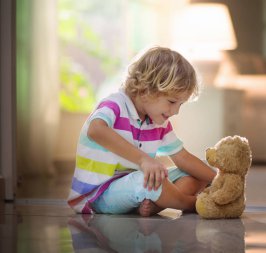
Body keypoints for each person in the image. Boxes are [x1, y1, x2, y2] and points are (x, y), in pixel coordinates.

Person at [67, 46, 216, 216]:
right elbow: (95, 130)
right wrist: (143, 160)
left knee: (198, 172)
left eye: (180, 104)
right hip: (99, 195)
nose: (176, 112)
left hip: (134, 189)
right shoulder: (115, 104)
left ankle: (155, 205)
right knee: (144, 181)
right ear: (146, 90)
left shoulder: (158, 121)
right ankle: (193, 204)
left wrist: (219, 180)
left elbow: (182, 158)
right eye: (172, 102)